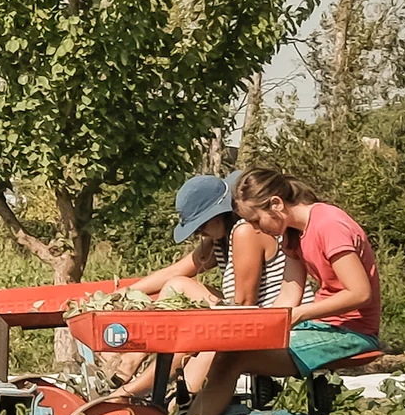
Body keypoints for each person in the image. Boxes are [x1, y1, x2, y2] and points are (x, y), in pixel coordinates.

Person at [178, 168, 383, 415]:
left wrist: (299, 314)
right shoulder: (294, 233)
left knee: (232, 358)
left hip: (352, 332)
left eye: (255, 220)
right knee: (230, 348)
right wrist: (259, 326)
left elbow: (359, 293)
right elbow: (290, 291)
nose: (254, 229)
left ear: (276, 204)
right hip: (319, 325)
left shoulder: (329, 226)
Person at [99, 172, 287, 401]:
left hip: (260, 320)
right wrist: (123, 293)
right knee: (177, 297)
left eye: (201, 225)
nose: (199, 232)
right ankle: (138, 388)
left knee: (179, 297)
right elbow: (177, 269)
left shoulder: (245, 231)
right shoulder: (221, 238)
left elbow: (244, 304)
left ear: (220, 214)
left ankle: (129, 381)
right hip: (239, 314)